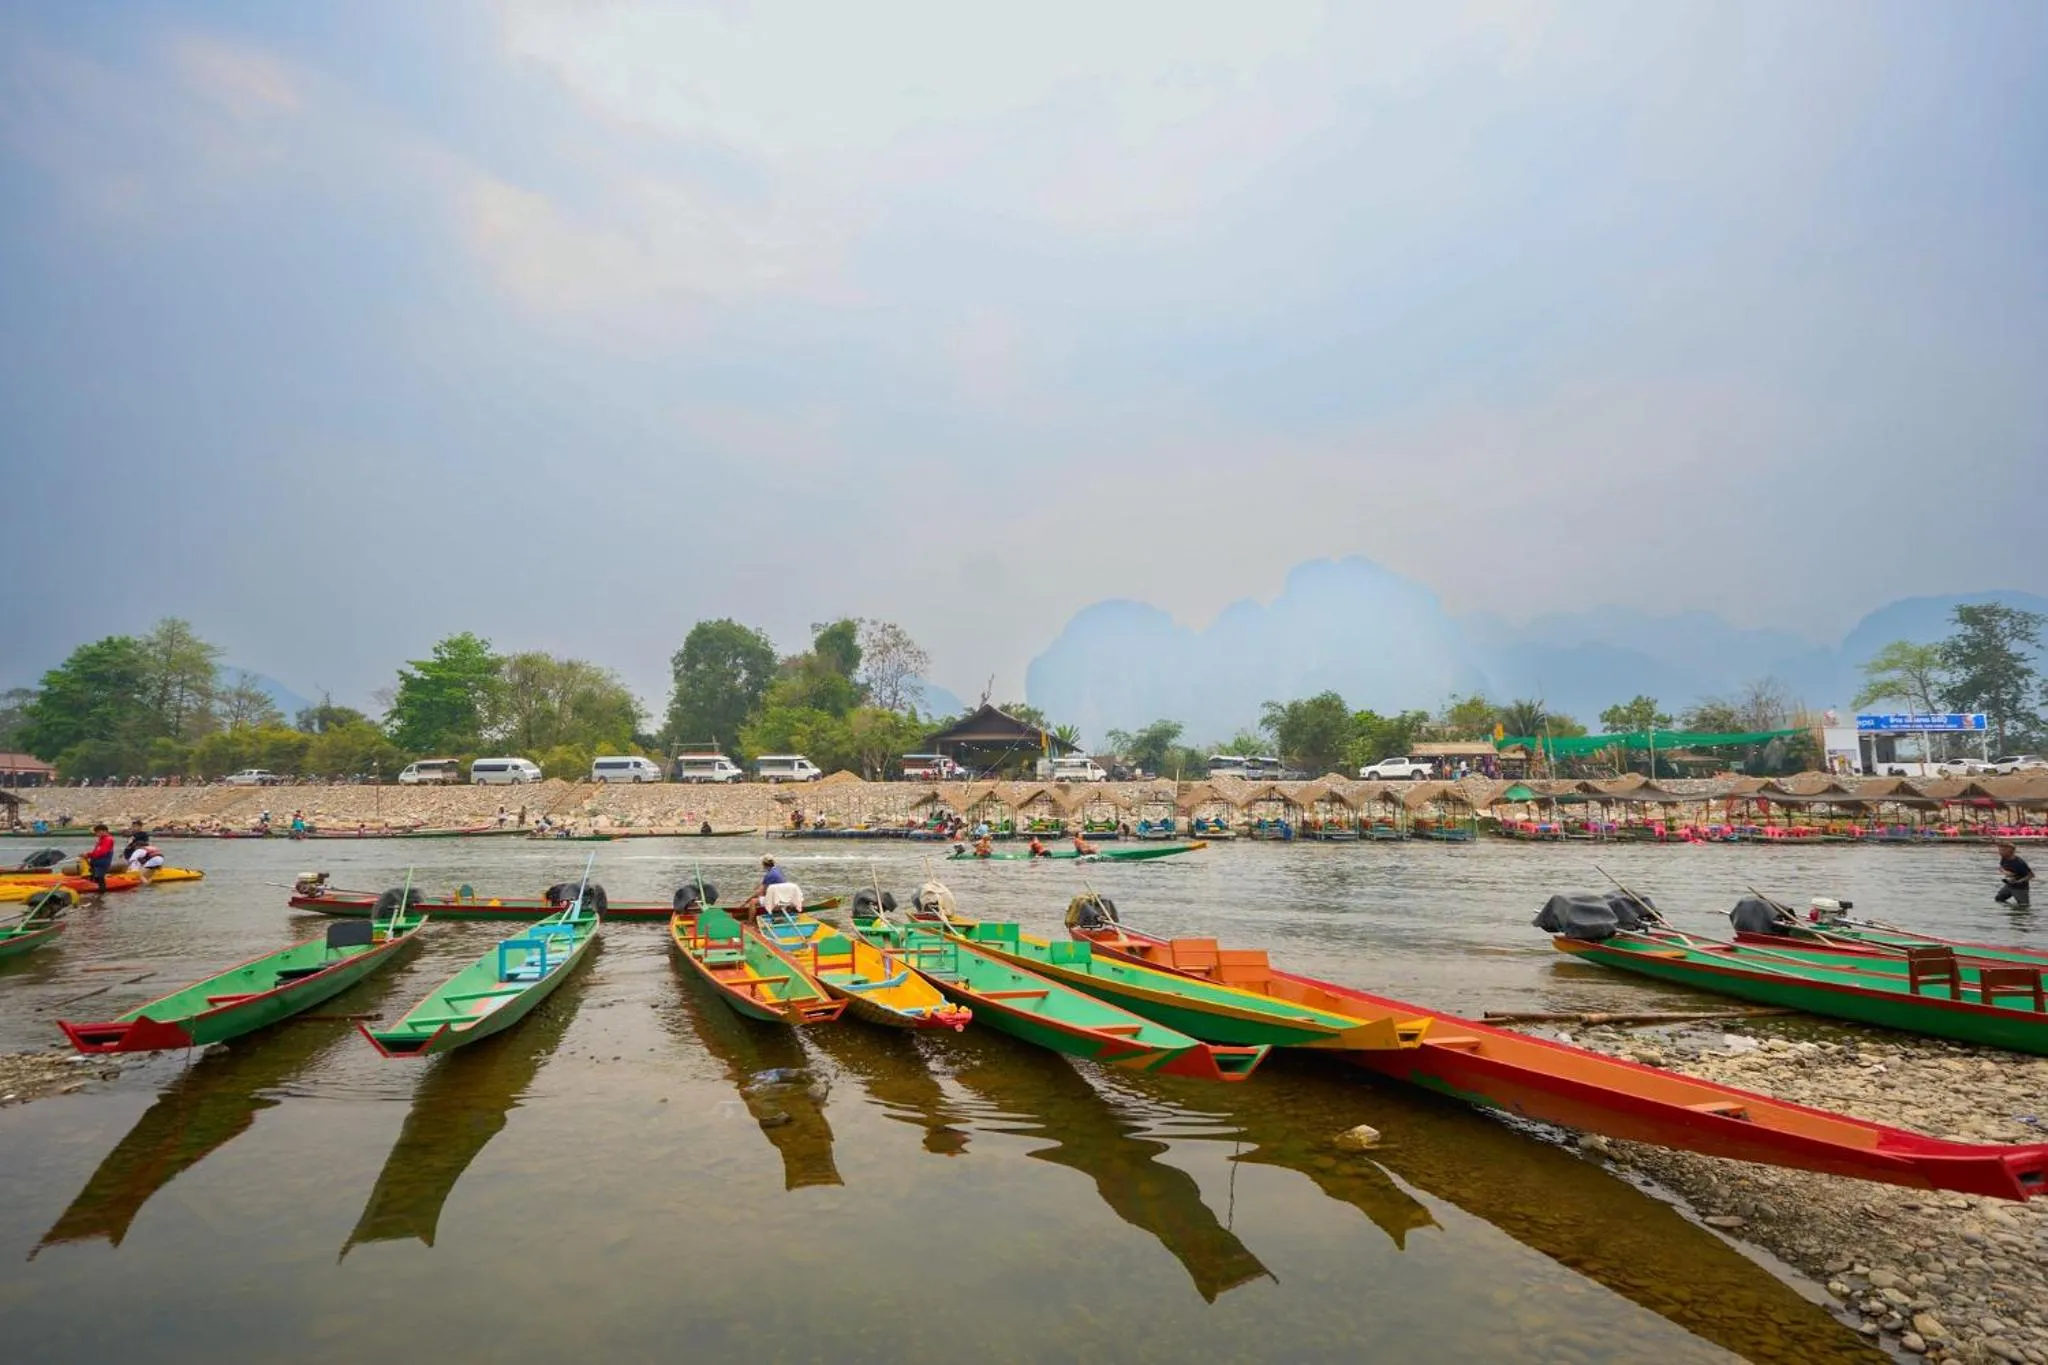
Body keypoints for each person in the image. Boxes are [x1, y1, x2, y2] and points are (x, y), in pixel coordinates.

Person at [1997, 842, 2034, 910]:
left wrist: (2019, 881)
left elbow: (2031, 875)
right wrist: (2005, 872)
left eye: (2002, 850)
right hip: (2009, 885)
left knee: (2023, 907)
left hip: (2020, 888)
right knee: (1999, 899)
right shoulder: (2004, 858)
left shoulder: (2019, 863)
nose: (1999, 852)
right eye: (1999, 850)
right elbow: (2001, 867)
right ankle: (2011, 909)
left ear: (2010, 852)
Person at [85, 823, 115, 895]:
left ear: (104, 831)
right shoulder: (102, 839)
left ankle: (101, 895)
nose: (96, 834)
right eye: (96, 832)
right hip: (97, 861)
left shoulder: (108, 839)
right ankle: (98, 894)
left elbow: (101, 852)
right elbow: (96, 851)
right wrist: (88, 855)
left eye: (98, 832)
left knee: (100, 878)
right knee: (97, 877)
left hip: (103, 862)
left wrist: (88, 855)